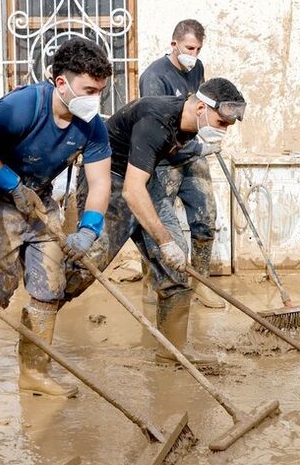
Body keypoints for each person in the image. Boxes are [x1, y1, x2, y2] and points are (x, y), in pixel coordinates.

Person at [0, 38, 113, 397]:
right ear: (61, 83)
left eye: (100, 91)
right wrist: (13, 186)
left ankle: (34, 371)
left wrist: (88, 229)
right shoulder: (22, 106)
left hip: (38, 200)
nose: (94, 99)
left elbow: (99, 182)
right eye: (88, 90)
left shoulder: (92, 125)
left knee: (49, 287)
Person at [62, 79, 246, 367]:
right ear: (201, 107)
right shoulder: (155, 120)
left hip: (144, 180)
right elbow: (131, 191)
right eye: (222, 122)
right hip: (108, 180)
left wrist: (169, 245)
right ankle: (38, 325)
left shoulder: (188, 124)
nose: (223, 130)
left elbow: (148, 175)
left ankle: (172, 352)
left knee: (176, 264)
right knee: (87, 263)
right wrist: (164, 240)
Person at [138, 19, 225, 309]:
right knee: (160, 224)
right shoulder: (154, 76)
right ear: (174, 44)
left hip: (192, 153)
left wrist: (209, 134)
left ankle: (201, 283)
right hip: (165, 160)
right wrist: (198, 145)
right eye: (189, 47)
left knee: (206, 217)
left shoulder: (196, 68)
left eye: (198, 49)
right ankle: (154, 282)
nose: (194, 54)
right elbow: (156, 127)